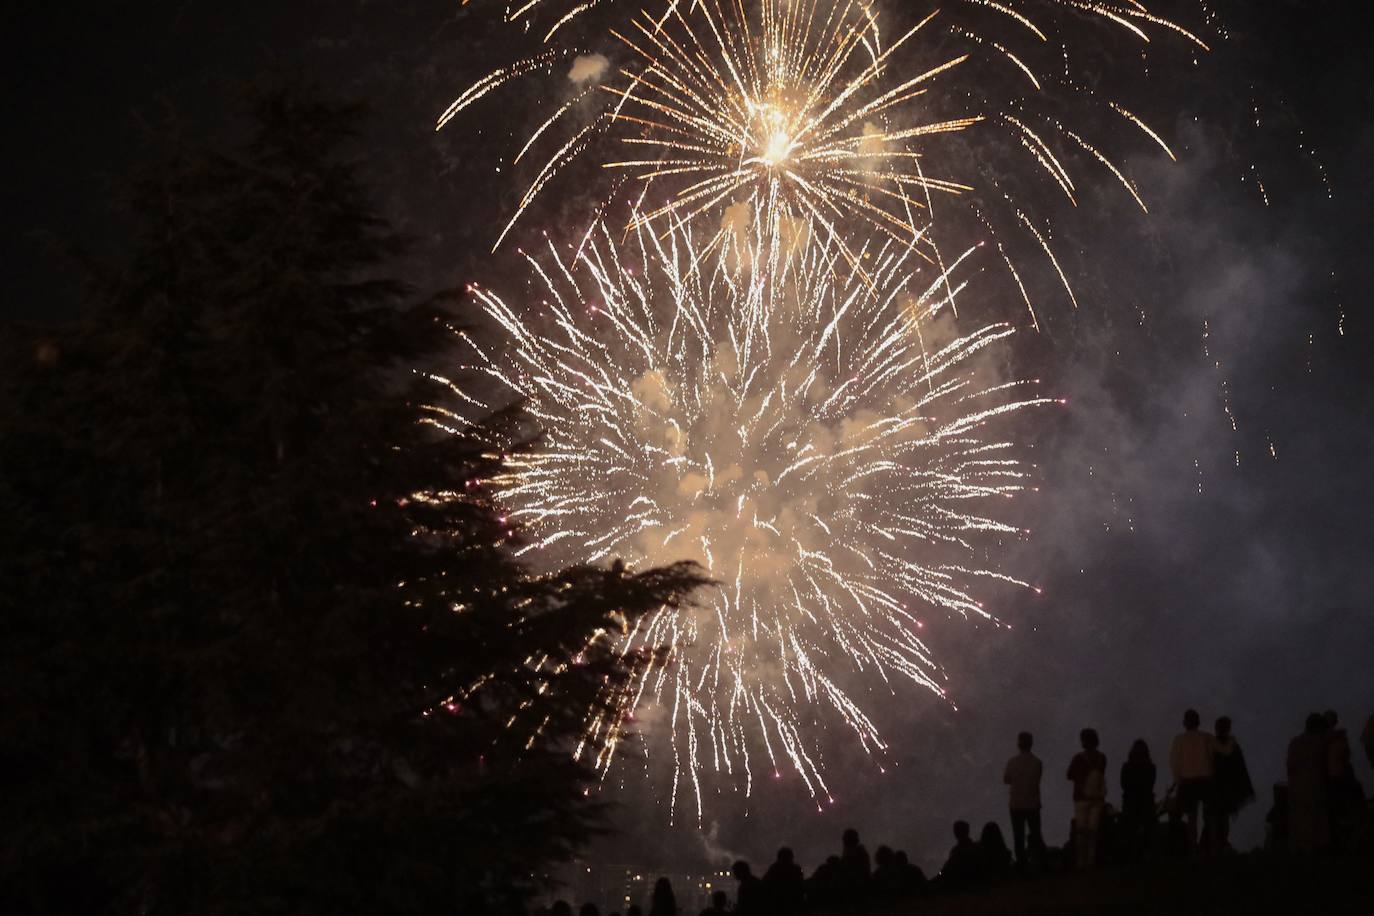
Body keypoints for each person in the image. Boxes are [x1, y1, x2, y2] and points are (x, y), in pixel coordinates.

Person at [1169, 709, 1214, 858]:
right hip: (1206, 781)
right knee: (1209, 817)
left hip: (1188, 782)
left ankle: (1193, 851)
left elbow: (1175, 763)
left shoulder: (1179, 740)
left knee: (1192, 818)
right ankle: (1210, 848)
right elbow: (1215, 757)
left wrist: (1178, 781)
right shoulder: (1207, 737)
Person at [1207, 716, 1254, 857]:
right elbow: (1240, 769)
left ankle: (1215, 848)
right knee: (1222, 818)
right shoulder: (1232, 746)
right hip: (1226, 788)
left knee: (1215, 819)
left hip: (1215, 788)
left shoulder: (1211, 745)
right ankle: (1220, 847)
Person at [1286, 712, 1331, 854]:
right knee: (1315, 818)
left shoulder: (1295, 742)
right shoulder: (1320, 743)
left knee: (1301, 818)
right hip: (1314, 785)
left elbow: (1290, 765)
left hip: (1297, 787)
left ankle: (1303, 848)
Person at [1324, 709, 1367, 851]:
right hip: (1339, 777)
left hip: (1338, 778)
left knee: (1346, 808)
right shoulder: (1336, 738)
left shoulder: (1330, 739)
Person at [1003, 730, 1045, 871]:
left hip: (1016, 804)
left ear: (1018, 744)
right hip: (1032, 803)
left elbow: (1006, 779)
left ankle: (1022, 866)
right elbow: (1037, 780)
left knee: (1018, 836)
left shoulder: (1012, 762)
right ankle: (1040, 863)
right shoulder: (1037, 762)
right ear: (1031, 744)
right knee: (1036, 833)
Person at [1067, 727, 1108, 869]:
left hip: (1081, 797)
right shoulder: (1102, 758)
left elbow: (1069, 775)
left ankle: (1081, 861)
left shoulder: (1078, 758)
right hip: (1097, 797)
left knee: (1081, 830)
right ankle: (1091, 860)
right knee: (1093, 830)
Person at [1120, 739, 1157, 860]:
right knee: (1148, 830)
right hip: (1146, 801)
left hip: (1130, 801)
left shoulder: (1126, 766)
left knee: (1130, 830)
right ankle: (1147, 854)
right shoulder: (1151, 767)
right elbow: (1150, 784)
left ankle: (1131, 855)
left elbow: (1123, 784)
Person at [937, 820, 983, 891]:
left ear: (956, 833)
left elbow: (946, 871)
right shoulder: (977, 847)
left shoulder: (956, 852)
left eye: (955, 830)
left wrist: (940, 874)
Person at [762, 847, 804, 914]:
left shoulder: (774, 868)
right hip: (793, 902)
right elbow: (801, 885)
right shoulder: (796, 869)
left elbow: (765, 884)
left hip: (776, 902)